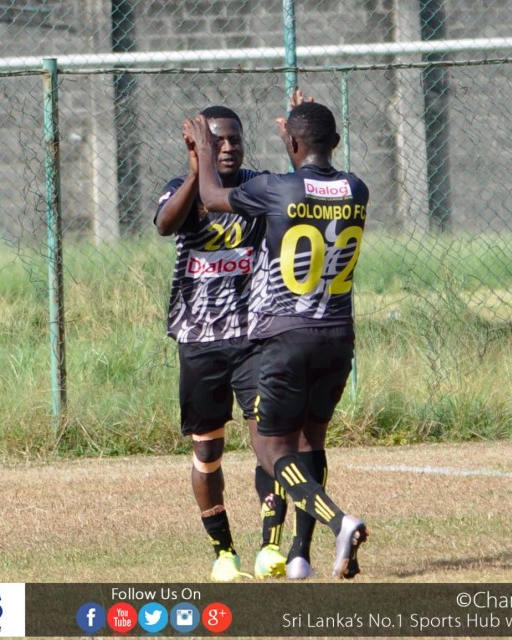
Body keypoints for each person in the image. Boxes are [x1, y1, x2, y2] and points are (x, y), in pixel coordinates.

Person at [184, 93, 370, 579]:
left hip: (286, 337)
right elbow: (314, 161)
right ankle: (300, 555)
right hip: (339, 337)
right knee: (313, 441)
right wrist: (302, 126)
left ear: (289, 140)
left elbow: (209, 198)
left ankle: (339, 522)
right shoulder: (357, 188)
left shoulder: (276, 189)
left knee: (273, 451)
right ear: (337, 141)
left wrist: (204, 149)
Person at [154, 105, 288, 582]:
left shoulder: (256, 184)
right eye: (217, 141)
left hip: (255, 337)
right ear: (197, 145)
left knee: (269, 441)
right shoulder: (180, 189)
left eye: (234, 140)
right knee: (207, 452)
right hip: (199, 341)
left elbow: (298, 195)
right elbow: (166, 224)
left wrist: (298, 138)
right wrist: (197, 169)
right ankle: (223, 553)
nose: (228, 148)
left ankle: (270, 547)